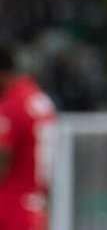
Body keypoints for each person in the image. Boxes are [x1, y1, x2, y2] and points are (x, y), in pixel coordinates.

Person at [0, 45, 55, 230]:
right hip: (35, 206)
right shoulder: (39, 99)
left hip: (10, 207)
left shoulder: (12, 105)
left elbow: (2, 159)